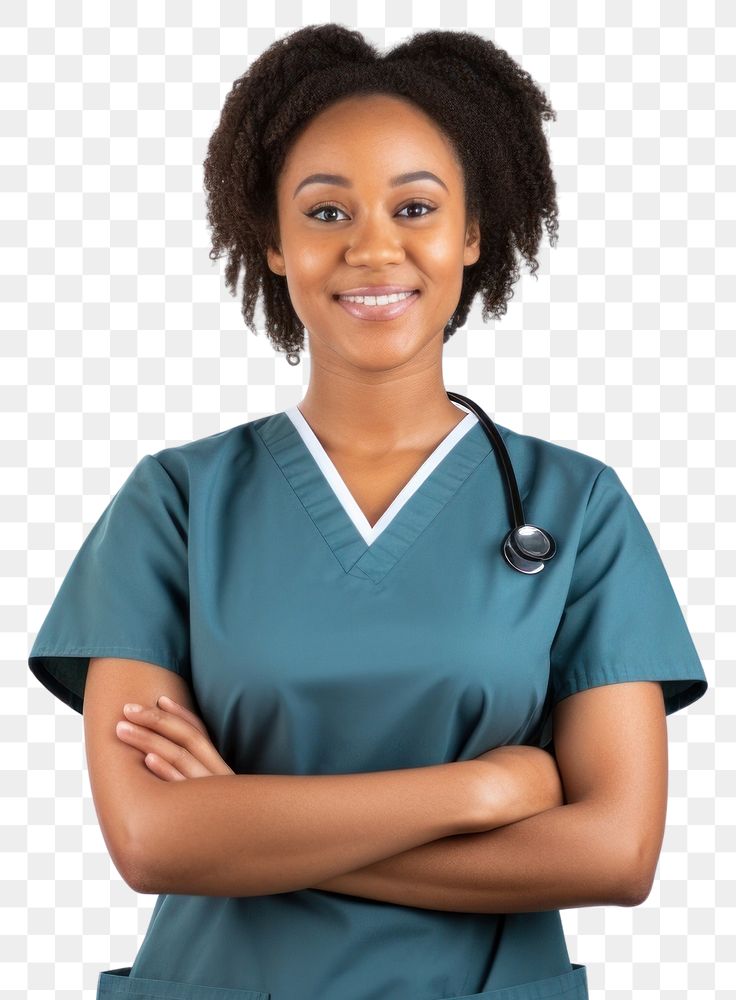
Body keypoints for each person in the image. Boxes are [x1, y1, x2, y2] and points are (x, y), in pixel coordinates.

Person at [28, 24, 708, 1000]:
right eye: (326, 209)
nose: (372, 245)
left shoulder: (578, 509)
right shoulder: (174, 503)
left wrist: (244, 831)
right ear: (271, 237)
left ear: (472, 232)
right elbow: (149, 838)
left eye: (416, 206)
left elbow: (613, 850)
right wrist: (478, 790)